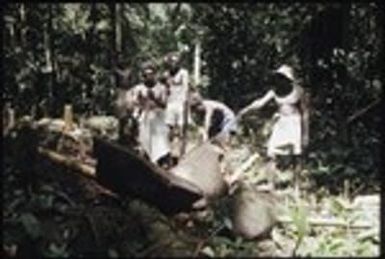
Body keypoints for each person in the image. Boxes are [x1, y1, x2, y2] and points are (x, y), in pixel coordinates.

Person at [239, 64, 308, 190]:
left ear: (288, 79)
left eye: (281, 77)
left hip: (294, 123)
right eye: (278, 77)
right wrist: (246, 110)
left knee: (296, 155)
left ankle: (297, 186)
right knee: (271, 152)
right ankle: (271, 184)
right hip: (281, 123)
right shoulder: (274, 91)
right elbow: (260, 103)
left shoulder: (299, 91)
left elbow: (305, 113)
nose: (279, 80)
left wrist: (305, 134)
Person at [121, 61, 171, 168]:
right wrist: (139, 101)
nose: (148, 76)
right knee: (144, 141)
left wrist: (154, 99)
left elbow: (164, 105)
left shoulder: (161, 88)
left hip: (158, 118)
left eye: (151, 74)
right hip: (144, 117)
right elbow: (134, 105)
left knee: (161, 141)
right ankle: (145, 161)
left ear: (154, 74)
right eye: (146, 74)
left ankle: (163, 161)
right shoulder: (138, 88)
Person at [163, 52, 190, 161]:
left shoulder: (184, 73)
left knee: (181, 130)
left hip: (181, 104)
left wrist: (185, 104)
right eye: (172, 62)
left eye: (176, 61)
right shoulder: (166, 74)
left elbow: (186, 89)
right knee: (168, 130)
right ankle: (167, 153)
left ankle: (181, 154)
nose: (174, 64)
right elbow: (165, 90)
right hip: (170, 104)